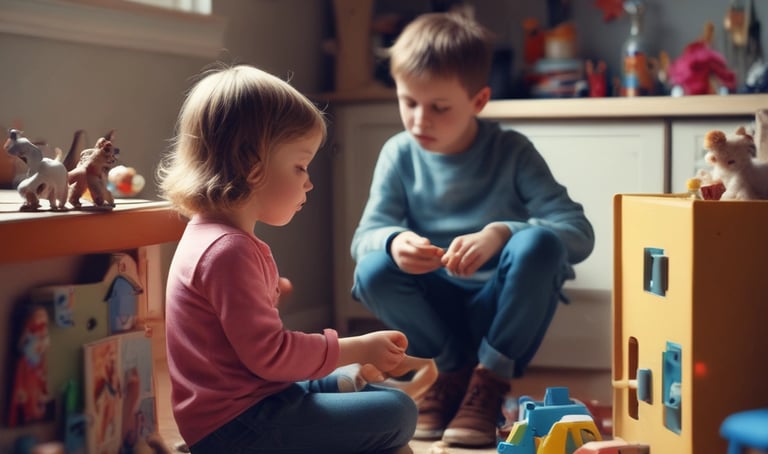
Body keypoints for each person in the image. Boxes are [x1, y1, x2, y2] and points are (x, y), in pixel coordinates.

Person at [350, 12, 595, 448]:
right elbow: (365, 236)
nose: (420, 120)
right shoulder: (398, 154)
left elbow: (577, 232)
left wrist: (502, 233)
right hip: (434, 315)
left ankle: (488, 381)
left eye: (439, 107)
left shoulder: (512, 151)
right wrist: (393, 240)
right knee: (372, 268)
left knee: (538, 242)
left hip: (497, 311)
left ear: (479, 101)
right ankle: (450, 373)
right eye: (408, 102)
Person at [157, 64, 417, 454]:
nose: (308, 181)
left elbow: (232, 335)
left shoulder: (210, 236)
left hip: (242, 405)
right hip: (238, 426)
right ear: (252, 167)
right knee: (398, 410)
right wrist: (359, 346)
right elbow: (272, 356)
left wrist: (266, 292)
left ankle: (335, 392)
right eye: (300, 166)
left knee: (346, 387)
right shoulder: (227, 250)